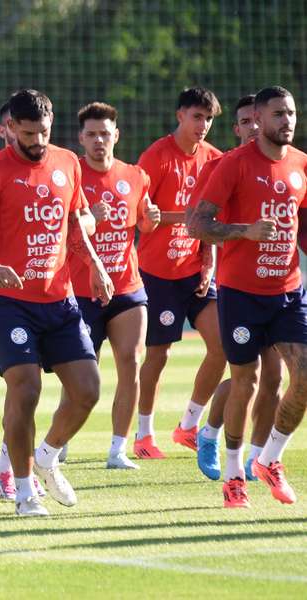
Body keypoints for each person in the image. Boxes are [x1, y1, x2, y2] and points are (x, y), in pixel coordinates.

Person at [0, 89, 113, 516]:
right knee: (26, 389)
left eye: (43, 131)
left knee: (88, 390)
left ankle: (46, 457)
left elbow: (75, 223)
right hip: (8, 299)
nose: (37, 140)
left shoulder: (68, 163)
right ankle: (23, 490)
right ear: (10, 129)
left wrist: (96, 264)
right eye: (28, 133)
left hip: (59, 298)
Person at [188, 85, 307, 507]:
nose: (286, 121)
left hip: (289, 292)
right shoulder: (234, 165)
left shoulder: (301, 164)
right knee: (247, 382)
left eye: (291, 113)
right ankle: (234, 473)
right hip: (241, 294)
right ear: (258, 119)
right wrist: (244, 231)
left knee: (303, 377)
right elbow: (197, 225)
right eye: (277, 114)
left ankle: (269, 460)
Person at [68, 102, 161, 469]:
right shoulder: (70, 175)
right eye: (91, 134)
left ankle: (118, 449)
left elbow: (145, 220)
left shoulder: (134, 175)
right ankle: (61, 442)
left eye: (105, 134)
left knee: (131, 361)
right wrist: (90, 217)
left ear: (116, 136)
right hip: (80, 289)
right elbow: (57, 229)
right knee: (80, 373)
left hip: (126, 286)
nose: (98, 141)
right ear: (81, 138)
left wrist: (151, 218)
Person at [134, 87, 225, 458]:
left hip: (196, 272)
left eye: (209, 119)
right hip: (157, 274)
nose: (203, 125)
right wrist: (180, 220)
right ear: (180, 116)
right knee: (159, 355)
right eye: (197, 116)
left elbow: (216, 219)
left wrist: (209, 258)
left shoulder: (216, 160)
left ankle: (188, 425)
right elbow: (144, 217)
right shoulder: (156, 156)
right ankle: (143, 435)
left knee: (222, 345)